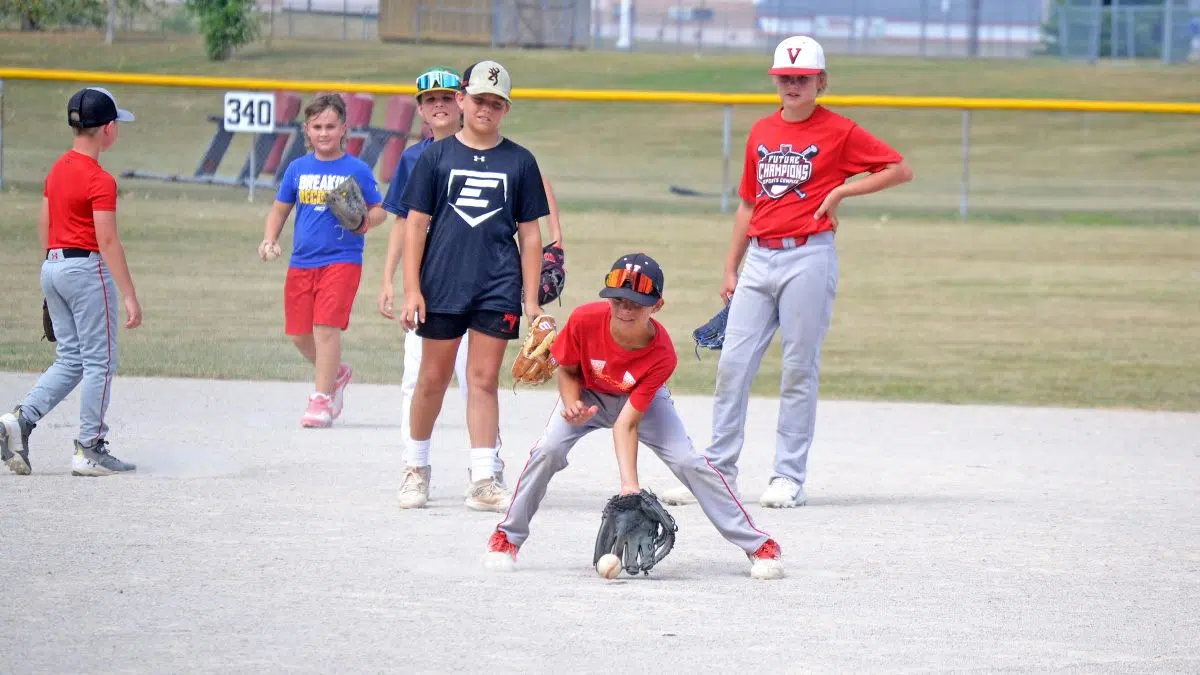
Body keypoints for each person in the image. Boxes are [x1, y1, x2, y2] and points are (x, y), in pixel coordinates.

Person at [661, 35, 913, 509]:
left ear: (821, 82)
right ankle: (719, 472)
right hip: (759, 255)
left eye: (802, 78)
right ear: (774, 81)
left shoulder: (840, 131)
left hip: (809, 256)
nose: (793, 85)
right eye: (785, 78)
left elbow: (899, 169)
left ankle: (788, 476)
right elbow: (747, 202)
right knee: (733, 365)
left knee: (799, 367)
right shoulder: (761, 131)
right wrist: (730, 266)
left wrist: (841, 194)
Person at [483, 253, 784, 580]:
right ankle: (507, 538)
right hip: (588, 394)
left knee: (688, 461)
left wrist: (630, 487)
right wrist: (571, 404)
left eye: (637, 304)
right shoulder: (584, 320)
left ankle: (759, 545)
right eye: (619, 301)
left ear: (657, 305)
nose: (626, 310)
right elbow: (568, 371)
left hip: (645, 401)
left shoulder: (662, 353)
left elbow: (627, 422)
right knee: (547, 450)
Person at [378, 66, 565, 509]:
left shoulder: (519, 161)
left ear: (506, 109)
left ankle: (483, 478)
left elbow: (531, 234)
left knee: (483, 381)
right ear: (463, 100)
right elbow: (416, 225)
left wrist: (532, 299)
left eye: (496, 102)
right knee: (432, 380)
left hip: (496, 285)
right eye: (479, 99)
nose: (486, 108)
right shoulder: (434, 158)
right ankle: (415, 466)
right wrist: (411, 290)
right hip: (442, 284)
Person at [0, 87, 142, 477]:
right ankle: (90, 447)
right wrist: (129, 296)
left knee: (71, 359)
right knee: (100, 361)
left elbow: (44, 224)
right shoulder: (100, 179)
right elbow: (107, 240)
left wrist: (54, 273)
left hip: (54, 265)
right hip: (85, 269)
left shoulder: (57, 169)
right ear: (108, 129)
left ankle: (20, 421)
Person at [260, 92, 387, 428]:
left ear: (344, 128)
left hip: (342, 259)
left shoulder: (356, 168)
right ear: (307, 129)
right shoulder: (298, 168)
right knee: (299, 333)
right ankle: (336, 374)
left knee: (325, 328)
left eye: (331, 126)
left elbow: (379, 211)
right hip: (303, 261)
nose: (324, 133)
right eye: (317, 126)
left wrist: (363, 222)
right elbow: (280, 208)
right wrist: (270, 238)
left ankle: (321, 399)